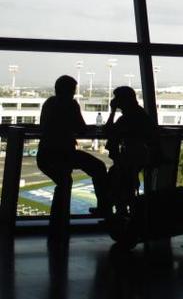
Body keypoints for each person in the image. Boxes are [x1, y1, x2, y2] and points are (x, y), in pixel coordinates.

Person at [36, 75, 111, 234]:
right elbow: (81, 128)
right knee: (98, 167)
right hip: (64, 153)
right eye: (73, 90)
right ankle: (104, 207)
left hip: (46, 154)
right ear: (69, 90)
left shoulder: (49, 103)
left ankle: (58, 223)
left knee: (64, 183)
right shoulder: (70, 104)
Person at [105, 86, 160, 214]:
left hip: (136, 158)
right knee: (121, 174)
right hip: (140, 157)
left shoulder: (130, 117)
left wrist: (112, 111)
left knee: (117, 174)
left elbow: (108, 131)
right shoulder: (137, 114)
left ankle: (119, 208)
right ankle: (122, 206)